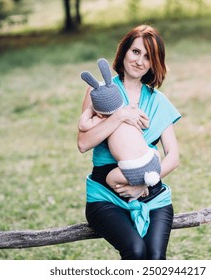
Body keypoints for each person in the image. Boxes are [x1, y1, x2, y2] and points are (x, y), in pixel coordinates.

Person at [77, 24, 181, 260]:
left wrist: (143, 185)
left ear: (154, 64)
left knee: (154, 258)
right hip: (106, 197)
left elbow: (173, 157)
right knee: (135, 251)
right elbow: (83, 143)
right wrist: (120, 115)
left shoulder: (158, 101)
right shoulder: (102, 93)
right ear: (124, 51)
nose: (139, 61)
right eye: (135, 52)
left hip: (152, 196)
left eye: (148, 57)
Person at [78, 58, 162, 200]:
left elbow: (82, 125)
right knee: (155, 153)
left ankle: (135, 192)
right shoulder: (130, 111)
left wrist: (91, 108)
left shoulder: (99, 119)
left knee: (110, 179)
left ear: (98, 111)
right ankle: (147, 181)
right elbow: (146, 123)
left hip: (132, 170)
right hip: (152, 160)